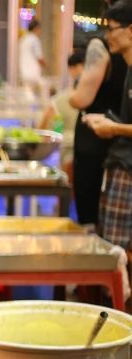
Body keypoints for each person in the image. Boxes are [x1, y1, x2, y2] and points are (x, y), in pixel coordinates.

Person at [84, 1, 132, 254]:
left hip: (127, 168)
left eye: (112, 29)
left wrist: (114, 128)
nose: (107, 36)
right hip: (121, 165)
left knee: (118, 251)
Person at [69, 34, 127, 226]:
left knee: (94, 216)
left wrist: (72, 96)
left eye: (112, 28)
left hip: (100, 137)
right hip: (119, 137)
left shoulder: (101, 45)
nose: (111, 35)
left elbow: (81, 99)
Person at [19, 19, 47, 95]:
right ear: (36, 28)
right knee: (38, 95)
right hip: (33, 73)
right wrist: (46, 65)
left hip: (24, 72)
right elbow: (39, 57)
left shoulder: (23, 39)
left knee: (28, 94)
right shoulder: (34, 40)